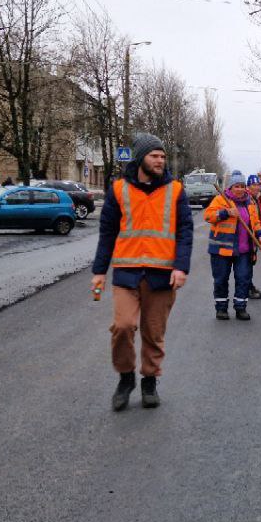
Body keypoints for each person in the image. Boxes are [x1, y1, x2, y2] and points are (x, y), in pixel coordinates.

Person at [91, 133, 193, 411]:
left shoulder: (176, 190)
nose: (160, 160)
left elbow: (185, 232)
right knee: (123, 327)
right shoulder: (118, 190)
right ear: (140, 158)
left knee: (153, 332)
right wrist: (99, 271)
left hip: (161, 275)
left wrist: (181, 267)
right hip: (127, 273)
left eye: (162, 156)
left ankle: (149, 380)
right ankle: (126, 379)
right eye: (154, 156)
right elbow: (107, 232)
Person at [205, 170, 261, 321]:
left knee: (243, 279)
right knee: (221, 280)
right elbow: (208, 216)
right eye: (236, 186)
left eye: (242, 186)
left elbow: (255, 222)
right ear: (230, 187)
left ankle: (240, 308)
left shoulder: (249, 203)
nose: (239, 189)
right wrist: (226, 213)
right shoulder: (220, 200)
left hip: (244, 250)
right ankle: (221, 309)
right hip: (222, 250)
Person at [246, 174, 261, 300]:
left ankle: (248, 286)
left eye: (258, 185)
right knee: (248, 262)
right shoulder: (247, 199)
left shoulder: (258, 199)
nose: (256, 187)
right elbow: (251, 220)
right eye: (254, 185)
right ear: (248, 186)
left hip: (257, 234)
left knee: (251, 262)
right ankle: (248, 288)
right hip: (249, 236)